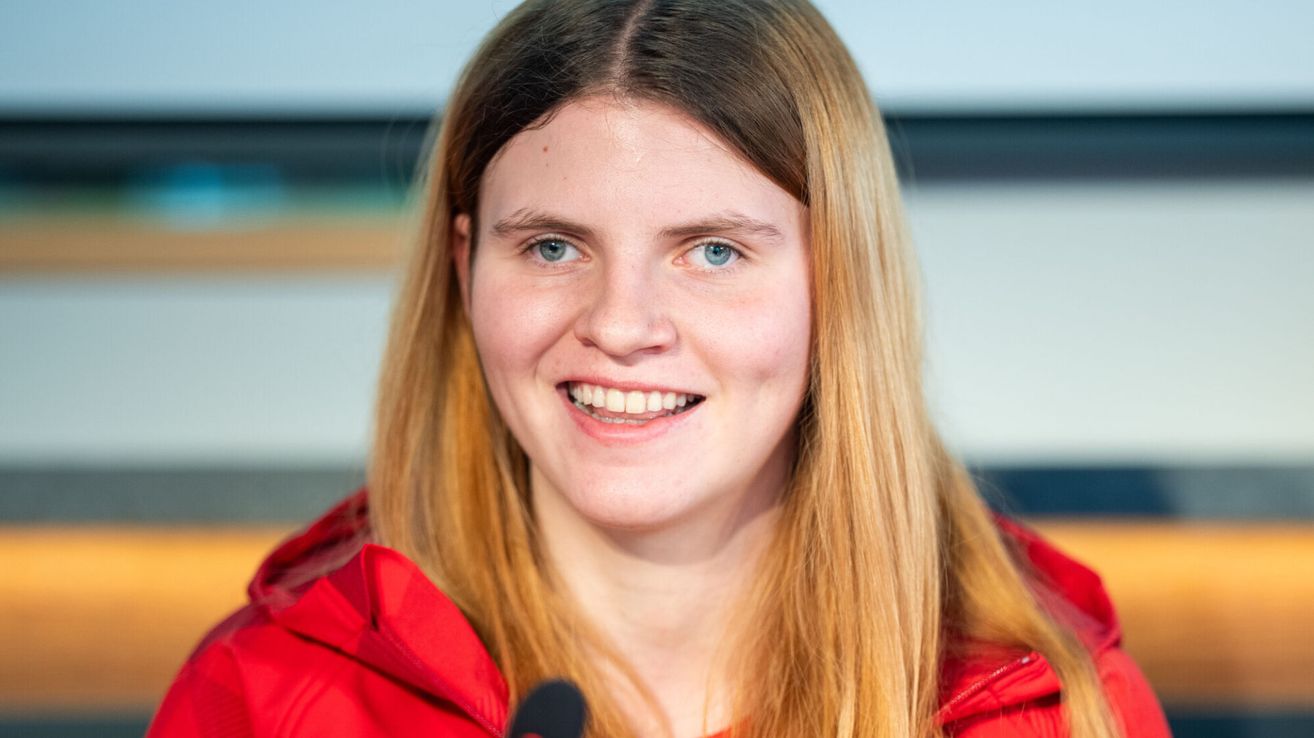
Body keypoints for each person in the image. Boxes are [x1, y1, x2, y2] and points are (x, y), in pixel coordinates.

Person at [147, 1, 1172, 737]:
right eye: (553, 247)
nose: (622, 325)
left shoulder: (1049, 708)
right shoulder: (266, 700)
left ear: (838, 284)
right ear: (464, 268)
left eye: (713, 252)